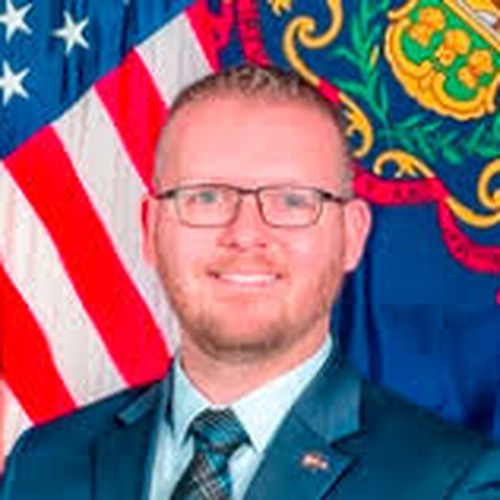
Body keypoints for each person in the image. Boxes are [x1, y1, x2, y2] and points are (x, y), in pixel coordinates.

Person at [1, 65, 499, 500]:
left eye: (293, 201)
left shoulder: (453, 483)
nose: (245, 234)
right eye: (206, 197)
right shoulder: (41, 465)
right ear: (151, 230)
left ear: (351, 236)